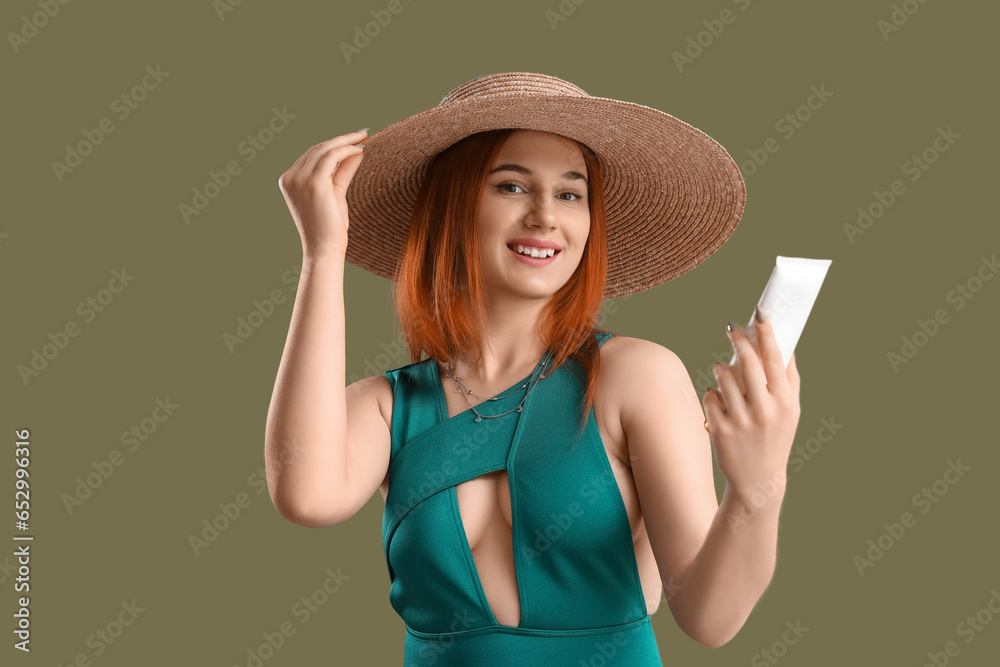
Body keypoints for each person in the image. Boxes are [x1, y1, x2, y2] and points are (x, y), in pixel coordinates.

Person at [265, 72, 801, 665]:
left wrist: (757, 488)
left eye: (571, 194)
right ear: (452, 206)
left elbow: (709, 617)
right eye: (512, 186)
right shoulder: (389, 406)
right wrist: (322, 253)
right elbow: (305, 495)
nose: (546, 216)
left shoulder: (633, 377)